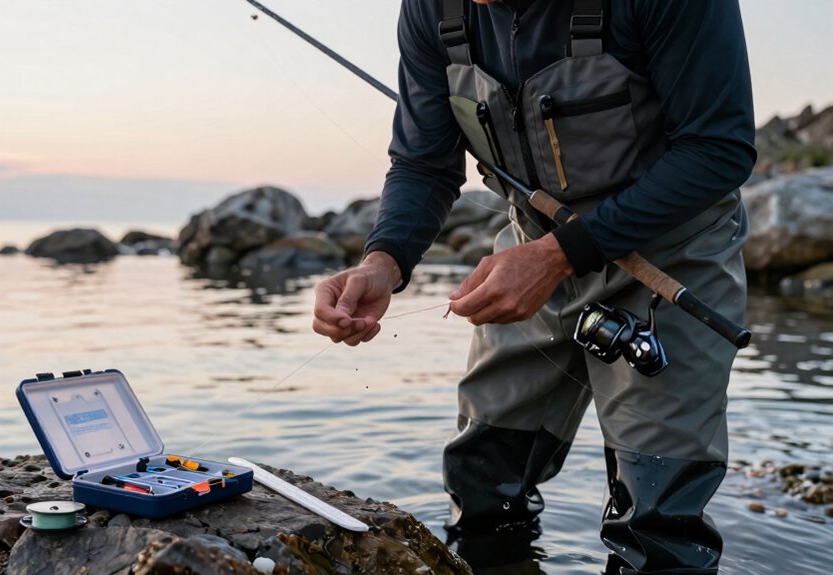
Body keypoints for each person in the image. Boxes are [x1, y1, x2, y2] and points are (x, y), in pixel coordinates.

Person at [312, 1, 756, 573]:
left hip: (673, 258)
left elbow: (718, 148)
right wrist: (382, 263)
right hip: (532, 247)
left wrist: (558, 256)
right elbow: (424, 162)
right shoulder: (430, 11)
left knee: (658, 522)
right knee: (481, 480)